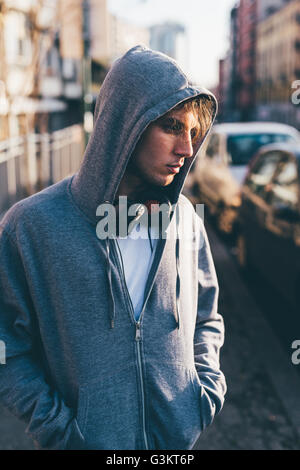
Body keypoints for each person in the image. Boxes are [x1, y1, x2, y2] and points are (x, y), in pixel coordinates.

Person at [0, 45, 226, 450]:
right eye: (172, 127)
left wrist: (203, 394)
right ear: (126, 125)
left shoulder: (185, 220)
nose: (187, 149)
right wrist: (59, 429)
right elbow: (7, 348)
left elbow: (207, 316)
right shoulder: (32, 227)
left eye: (192, 132)